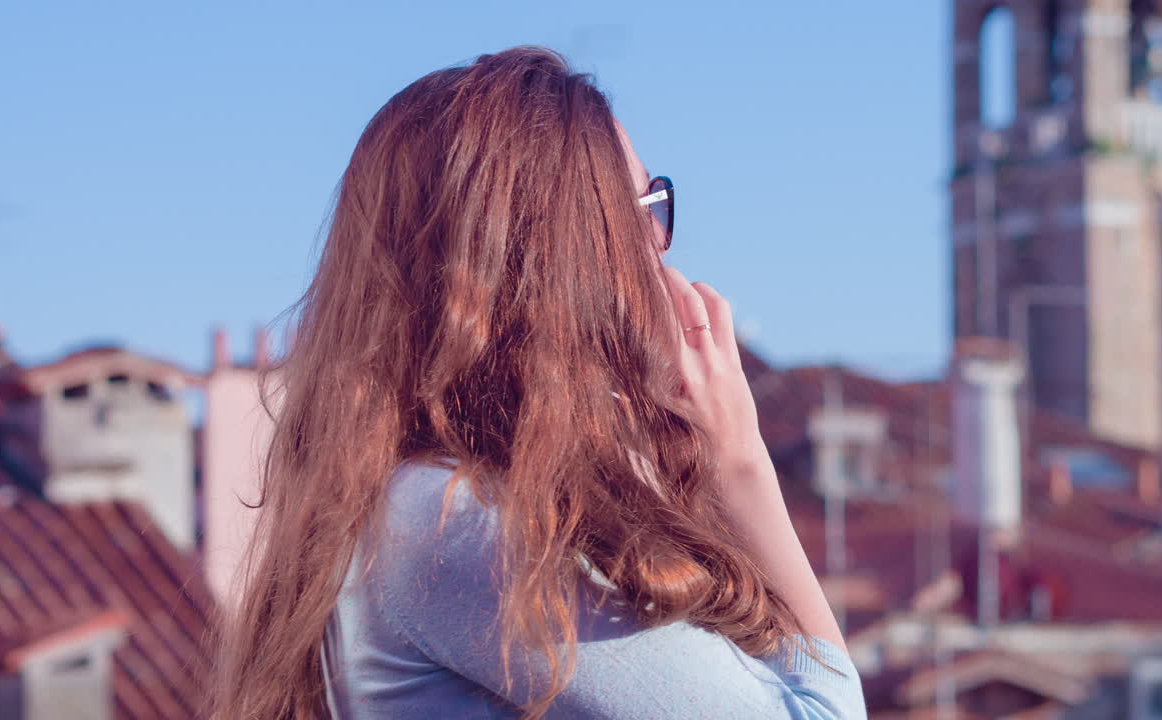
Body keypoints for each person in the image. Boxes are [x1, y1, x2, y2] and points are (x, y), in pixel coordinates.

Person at [210, 45, 867, 720]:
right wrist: (740, 460)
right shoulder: (454, 527)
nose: (659, 242)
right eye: (637, 209)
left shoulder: (444, 507)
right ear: (565, 252)